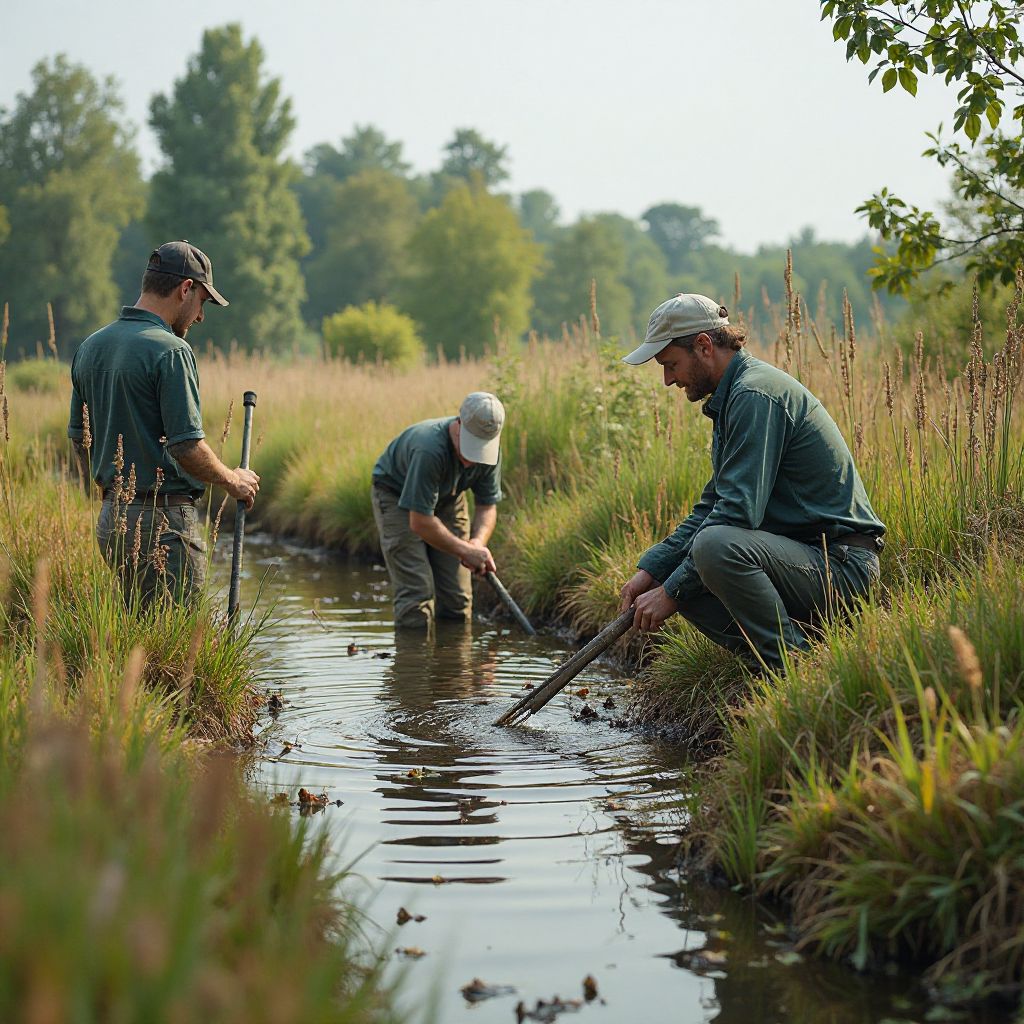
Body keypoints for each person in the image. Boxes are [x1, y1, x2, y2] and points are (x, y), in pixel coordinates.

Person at [618, 293, 885, 672]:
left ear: (704, 346)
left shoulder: (754, 395)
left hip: (840, 567)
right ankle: (785, 652)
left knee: (710, 550)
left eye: (671, 364)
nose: (667, 380)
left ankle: (795, 668)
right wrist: (653, 571)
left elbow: (736, 516)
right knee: (681, 566)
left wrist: (671, 592)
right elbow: (712, 507)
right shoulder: (733, 397)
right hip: (802, 564)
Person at [68, 240, 260, 605]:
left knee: (139, 637)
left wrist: (111, 494)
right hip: (165, 526)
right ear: (185, 288)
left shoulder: (90, 346)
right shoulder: (172, 350)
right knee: (177, 645)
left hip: (112, 521)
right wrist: (234, 480)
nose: (201, 316)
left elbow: (80, 438)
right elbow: (186, 446)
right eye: (202, 301)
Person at [371, 392, 504, 629]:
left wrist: (475, 544)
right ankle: (413, 663)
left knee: (457, 599)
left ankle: (452, 663)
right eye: (471, 446)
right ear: (458, 424)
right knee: (416, 594)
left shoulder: (491, 453)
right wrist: (464, 550)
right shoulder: (429, 449)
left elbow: (487, 506)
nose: (473, 460)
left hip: (449, 498)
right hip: (396, 495)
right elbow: (420, 521)